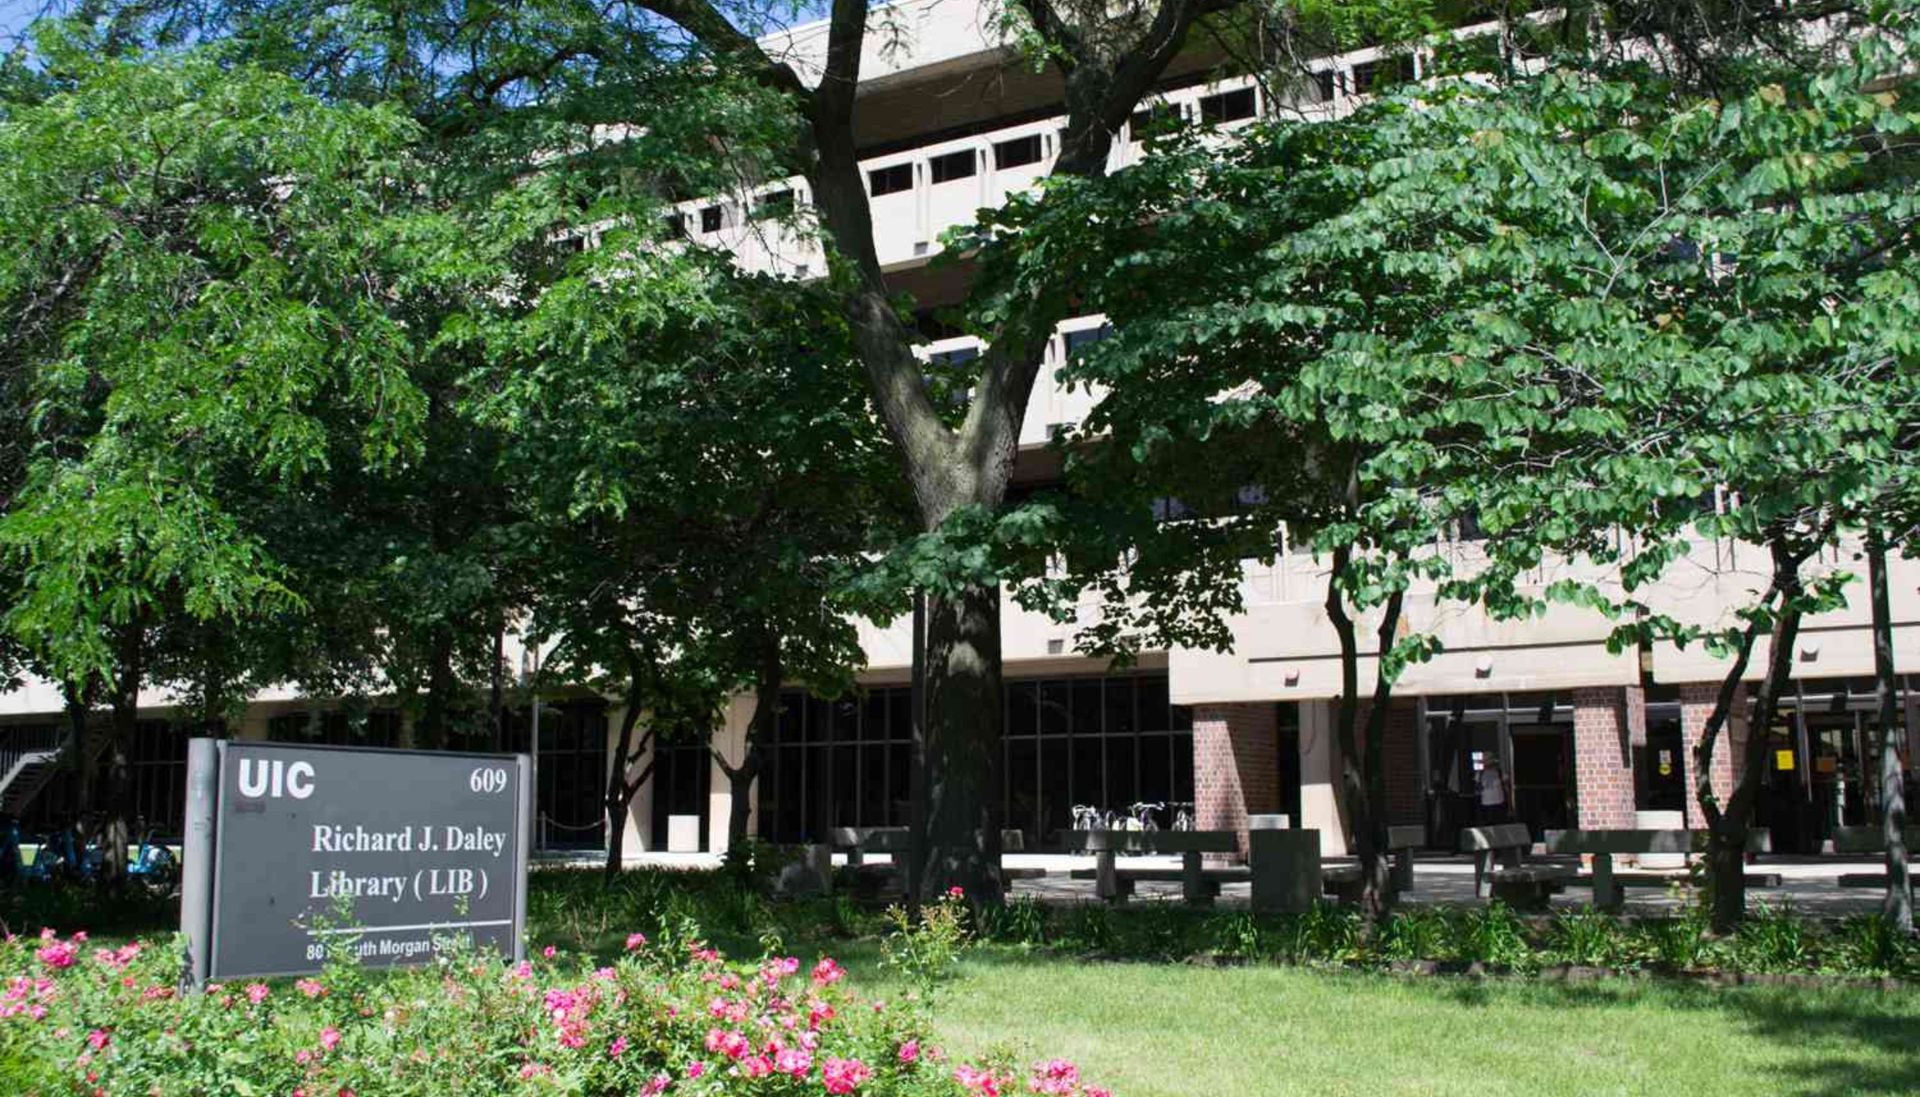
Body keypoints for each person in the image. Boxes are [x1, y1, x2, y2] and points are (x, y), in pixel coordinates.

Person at [1476, 760, 1510, 825]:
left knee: (1500, 823)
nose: (1488, 765)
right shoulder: (1480, 774)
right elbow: (1477, 788)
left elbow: (1506, 786)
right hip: (1486, 804)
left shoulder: (1500, 772)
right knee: (1489, 824)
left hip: (1499, 802)